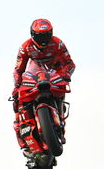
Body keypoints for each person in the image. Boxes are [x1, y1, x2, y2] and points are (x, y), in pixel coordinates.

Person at [12, 19, 75, 153]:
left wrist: (66, 74)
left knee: (61, 92)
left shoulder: (58, 44)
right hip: (34, 73)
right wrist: (17, 86)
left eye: (46, 36)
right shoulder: (25, 47)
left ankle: (60, 120)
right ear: (33, 35)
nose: (43, 40)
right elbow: (18, 70)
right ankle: (22, 135)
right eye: (40, 36)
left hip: (54, 72)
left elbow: (69, 64)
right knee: (17, 100)